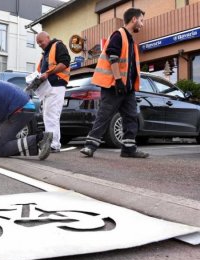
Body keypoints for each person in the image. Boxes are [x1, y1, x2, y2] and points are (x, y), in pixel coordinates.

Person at [80, 8, 149, 158]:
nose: (142, 25)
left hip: (127, 88)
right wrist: (118, 80)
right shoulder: (119, 35)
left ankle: (129, 149)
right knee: (104, 115)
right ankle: (90, 146)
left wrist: (127, 84)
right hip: (114, 86)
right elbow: (113, 58)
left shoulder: (130, 39)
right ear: (134, 20)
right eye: (141, 20)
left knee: (131, 117)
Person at [36, 31, 71, 153]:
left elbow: (65, 62)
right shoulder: (45, 54)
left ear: (47, 38)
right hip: (49, 87)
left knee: (52, 116)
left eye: (41, 41)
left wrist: (48, 73)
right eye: (38, 43)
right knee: (48, 116)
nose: (39, 44)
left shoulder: (57, 46)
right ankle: (52, 143)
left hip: (56, 85)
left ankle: (54, 144)